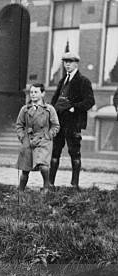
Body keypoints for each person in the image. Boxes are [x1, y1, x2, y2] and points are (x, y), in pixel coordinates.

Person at [49, 52, 95, 190]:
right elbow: (55, 100)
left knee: (74, 153)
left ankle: (74, 184)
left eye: (70, 61)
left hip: (73, 123)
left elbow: (90, 101)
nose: (67, 64)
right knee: (55, 152)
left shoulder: (83, 81)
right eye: (65, 62)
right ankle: (50, 183)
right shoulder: (63, 80)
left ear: (76, 63)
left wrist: (74, 108)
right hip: (60, 122)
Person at [15, 83, 60, 194]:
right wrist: (22, 137)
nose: (33, 95)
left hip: (43, 140)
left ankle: (46, 187)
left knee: (43, 165)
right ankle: (20, 191)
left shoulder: (49, 109)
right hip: (29, 140)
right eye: (31, 92)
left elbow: (56, 125)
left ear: (42, 93)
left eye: (36, 92)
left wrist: (49, 135)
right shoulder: (25, 109)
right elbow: (19, 125)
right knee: (25, 169)